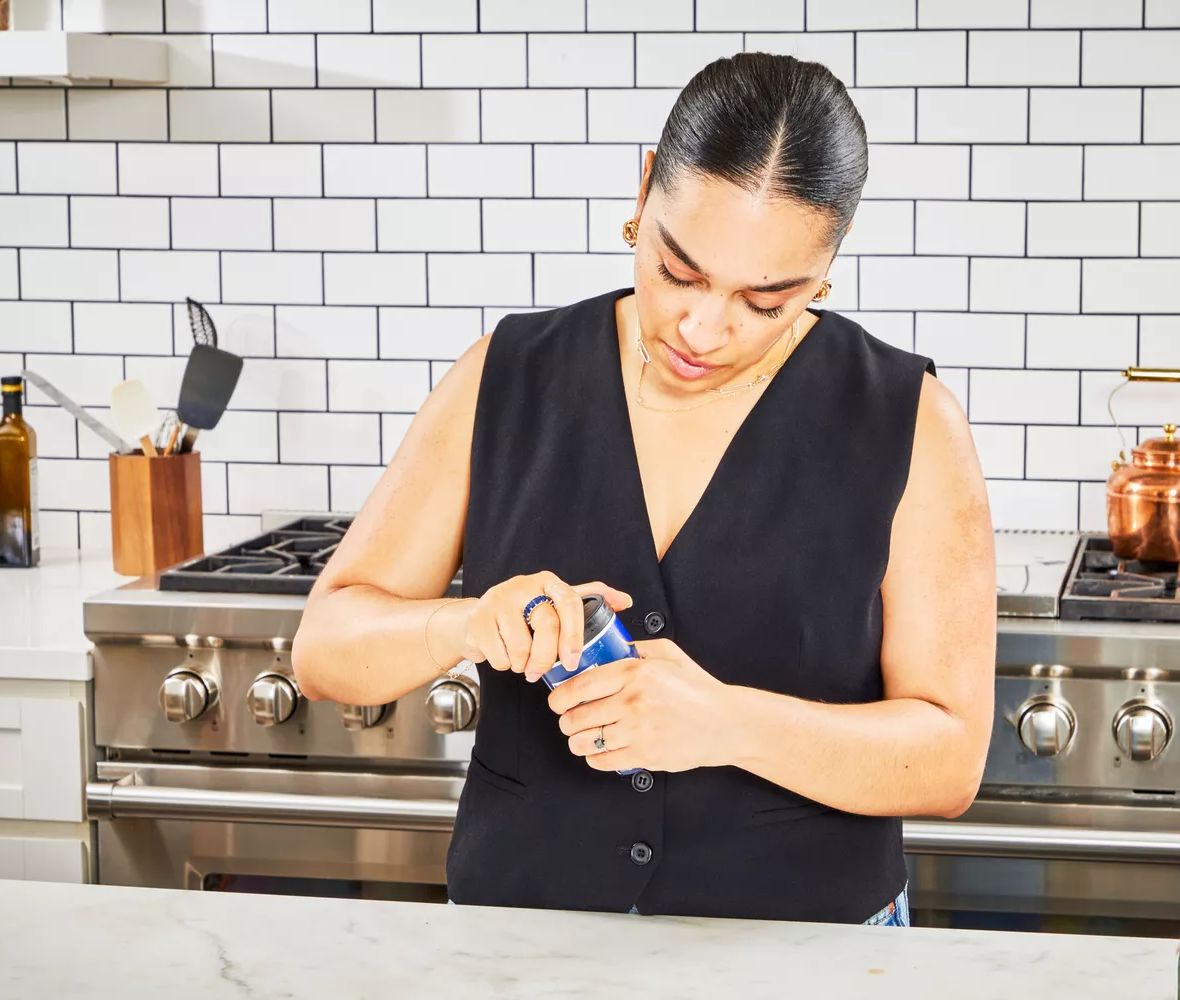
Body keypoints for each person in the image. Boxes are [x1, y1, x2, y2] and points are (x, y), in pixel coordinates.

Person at [292, 52, 996, 926]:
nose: (703, 328)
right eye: (679, 271)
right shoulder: (506, 376)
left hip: (808, 956)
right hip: (525, 945)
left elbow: (950, 760)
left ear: (827, 264)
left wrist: (729, 723)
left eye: (765, 302)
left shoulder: (910, 420)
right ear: (645, 189)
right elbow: (325, 649)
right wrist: (465, 624)